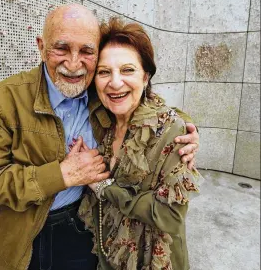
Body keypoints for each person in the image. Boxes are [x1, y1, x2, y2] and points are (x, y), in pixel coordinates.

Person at [0, 4, 199, 270]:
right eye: (61, 48)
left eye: (86, 51)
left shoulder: (101, 89)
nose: (73, 64)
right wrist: (62, 175)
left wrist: (186, 127)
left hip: (87, 226)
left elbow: (143, 103)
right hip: (26, 234)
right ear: (41, 46)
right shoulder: (4, 100)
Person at [77, 17, 203, 270]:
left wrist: (105, 187)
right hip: (110, 251)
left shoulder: (172, 131)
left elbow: (171, 215)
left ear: (145, 76)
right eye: (104, 72)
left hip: (152, 258)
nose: (114, 82)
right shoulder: (104, 120)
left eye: (127, 70)